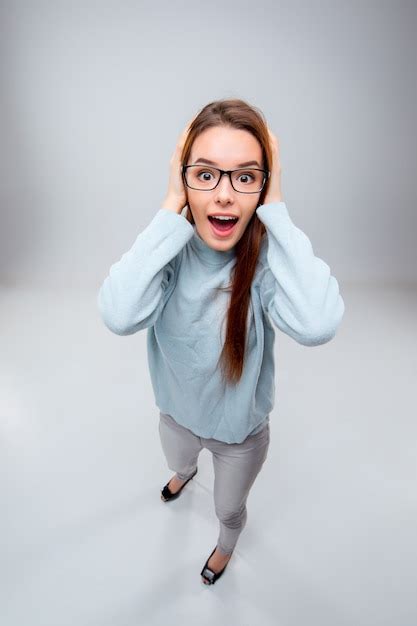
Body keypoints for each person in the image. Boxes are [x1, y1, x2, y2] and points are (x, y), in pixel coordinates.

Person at [97, 98, 345, 585]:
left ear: (263, 187)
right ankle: (184, 472)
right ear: (183, 177)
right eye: (206, 175)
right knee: (178, 460)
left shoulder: (269, 262)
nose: (225, 195)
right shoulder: (169, 251)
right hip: (176, 414)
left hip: (239, 436)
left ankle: (225, 548)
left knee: (228, 509)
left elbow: (318, 323)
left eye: (246, 177)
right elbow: (119, 314)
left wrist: (277, 211)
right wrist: (172, 202)